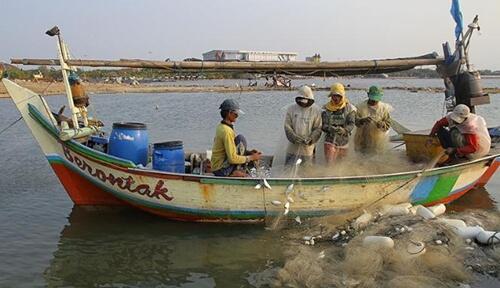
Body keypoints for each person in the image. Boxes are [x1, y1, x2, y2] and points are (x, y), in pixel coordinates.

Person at [211, 99, 261, 177]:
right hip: (221, 170)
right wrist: (251, 158)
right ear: (229, 113)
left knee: (240, 139)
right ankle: (233, 172)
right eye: (236, 114)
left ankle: (234, 171)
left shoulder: (222, 127)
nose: (237, 117)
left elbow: (230, 149)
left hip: (217, 166)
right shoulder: (227, 131)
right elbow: (232, 158)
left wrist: (247, 152)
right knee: (241, 139)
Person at [284, 85, 322, 166]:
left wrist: (311, 138)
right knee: (289, 168)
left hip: (308, 148)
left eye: (305, 101)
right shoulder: (291, 109)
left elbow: (318, 128)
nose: (303, 103)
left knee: (307, 169)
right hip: (293, 146)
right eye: (301, 101)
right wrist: (293, 137)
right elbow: (287, 126)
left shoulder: (316, 110)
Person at [321, 83, 356, 163]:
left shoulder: (350, 108)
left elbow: (351, 124)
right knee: (330, 163)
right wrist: (330, 128)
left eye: (338, 96)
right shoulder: (325, 109)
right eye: (334, 96)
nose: (336, 98)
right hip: (330, 139)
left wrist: (345, 130)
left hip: (344, 141)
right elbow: (323, 125)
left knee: (341, 164)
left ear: (342, 96)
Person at [354, 85, 392, 154]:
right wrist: (363, 120)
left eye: (376, 99)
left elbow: (388, 124)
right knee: (361, 158)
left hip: (378, 140)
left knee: (377, 158)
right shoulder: (360, 107)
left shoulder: (384, 108)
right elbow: (355, 122)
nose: (374, 101)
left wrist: (382, 124)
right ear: (368, 95)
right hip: (362, 138)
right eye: (372, 98)